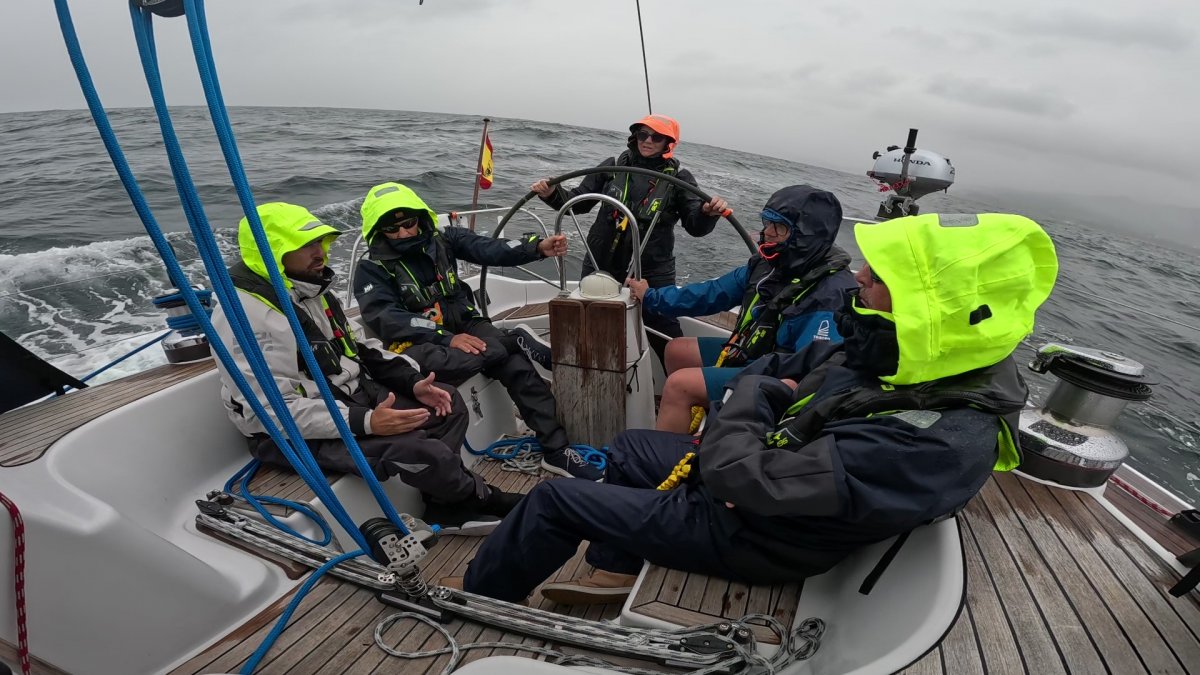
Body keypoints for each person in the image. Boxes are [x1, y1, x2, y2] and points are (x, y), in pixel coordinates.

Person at [451, 212, 1058, 604]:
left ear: (928, 313)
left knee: (556, 500)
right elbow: (789, 372)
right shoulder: (911, 362)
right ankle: (614, 566)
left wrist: (745, 401)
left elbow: (745, 477)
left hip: (758, 532)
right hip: (762, 483)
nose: (859, 286)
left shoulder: (941, 437)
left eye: (873, 284)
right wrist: (760, 396)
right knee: (630, 446)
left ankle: (477, 597)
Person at [210, 202, 522, 535]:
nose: (321, 253)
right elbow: (267, 412)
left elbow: (360, 347)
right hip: (293, 433)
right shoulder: (246, 319)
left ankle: (444, 501)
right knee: (420, 448)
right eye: (306, 245)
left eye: (321, 242)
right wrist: (367, 421)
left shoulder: (308, 288)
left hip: (350, 396)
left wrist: (414, 383)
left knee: (447, 403)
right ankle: (477, 496)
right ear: (273, 252)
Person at [352, 181, 603, 482]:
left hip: (466, 322)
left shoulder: (442, 239)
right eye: (394, 229)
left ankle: (556, 449)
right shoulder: (371, 269)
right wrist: (446, 337)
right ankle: (514, 341)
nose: (404, 233)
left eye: (409, 223)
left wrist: (536, 248)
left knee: (515, 366)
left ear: (420, 217)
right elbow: (388, 319)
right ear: (379, 231)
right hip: (420, 344)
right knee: (499, 353)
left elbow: (488, 247)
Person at [626, 184, 858, 433]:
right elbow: (710, 294)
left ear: (804, 236)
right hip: (754, 353)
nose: (766, 233)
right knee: (677, 350)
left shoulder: (831, 295)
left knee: (679, 385)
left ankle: (665, 456)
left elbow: (812, 375)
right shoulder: (768, 266)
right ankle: (691, 419)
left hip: (778, 378)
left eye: (777, 227)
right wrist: (651, 296)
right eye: (766, 223)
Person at [530, 114, 729, 338]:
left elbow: (695, 227)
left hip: (653, 269)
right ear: (635, 136)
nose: (648, 140)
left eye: (657, 137)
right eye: (643, 134)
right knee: (588, 323)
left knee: (663, 330)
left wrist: (706, 212)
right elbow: (578, 203)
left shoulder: (680, 179)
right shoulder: (612, 166)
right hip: (600, 260)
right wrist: (551, 194)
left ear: (668, 143)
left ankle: (678, 371)